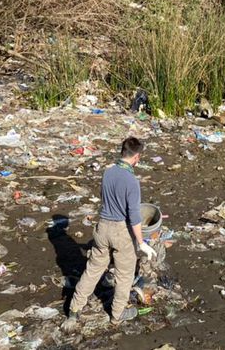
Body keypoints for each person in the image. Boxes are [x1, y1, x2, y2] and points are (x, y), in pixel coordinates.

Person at [62, 137, 156, 330]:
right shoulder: (131, 181)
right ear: (136, 157)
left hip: (102, 226)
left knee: (93, 270)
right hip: (120, 230)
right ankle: (117, 314)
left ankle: (74, 310)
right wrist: (141, 243)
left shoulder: (108, 172)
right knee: (124, 274)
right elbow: (135, 216)